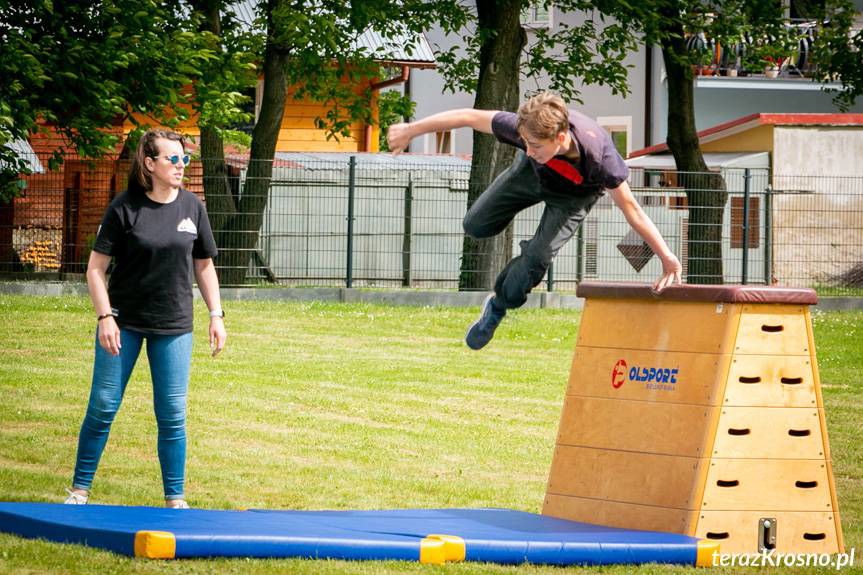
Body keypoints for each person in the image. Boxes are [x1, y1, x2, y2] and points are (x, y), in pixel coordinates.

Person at [387, 92, 682, 350]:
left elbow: (632, 209)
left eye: (536, 146)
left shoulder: (601, 160)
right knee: (475, 226)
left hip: (573, 197)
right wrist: (411, 129)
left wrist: (667, 257)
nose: (529, 149)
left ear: (561, 138)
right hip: (531, 175)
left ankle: (498, 306)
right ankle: (500, 223)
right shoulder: (527, 132)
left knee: (537, 258)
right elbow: (467, 115)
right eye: (525, 143)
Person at [63, 129, 226, 509]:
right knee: (103, 405)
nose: (180, 166)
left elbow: (204, 267)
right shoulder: (124, 207)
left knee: (172, 414)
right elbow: (94, 269)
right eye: (172, 159)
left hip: (174, 325)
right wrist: (105, 316)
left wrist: (216, 314)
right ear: (149, 164)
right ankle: (79, 491)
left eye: (184, 159)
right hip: (124, 323)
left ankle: (175, 499)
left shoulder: (193, 207)